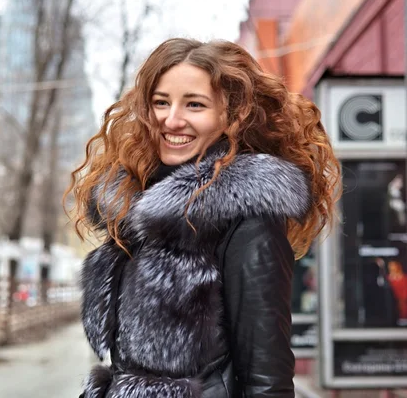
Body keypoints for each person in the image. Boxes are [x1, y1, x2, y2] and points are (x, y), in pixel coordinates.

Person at [65, 38, 340, 397]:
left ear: (232, 116)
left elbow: (267, 379)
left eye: (195, 104)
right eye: (160, 102)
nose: (171, 119)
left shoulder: (248, 219)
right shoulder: (136, 211)